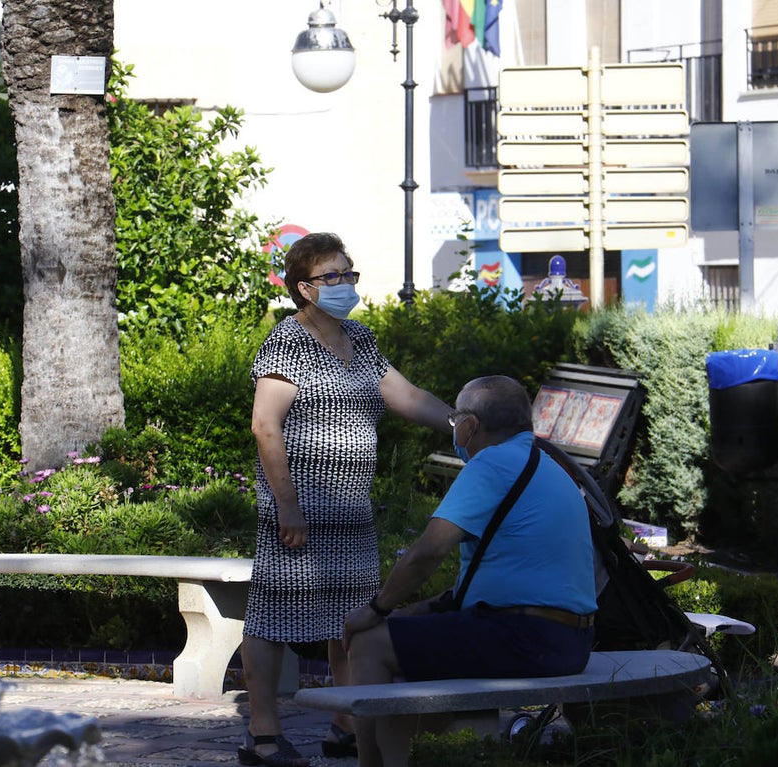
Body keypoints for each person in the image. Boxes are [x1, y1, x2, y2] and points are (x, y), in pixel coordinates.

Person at [239, 232, 453, 767]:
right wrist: (287, 506)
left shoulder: (360, 339)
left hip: (352, 512)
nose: (343, 285)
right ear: (304, 288)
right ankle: (263, 735)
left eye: (347, 274)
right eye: (330, 277)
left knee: (353, 620)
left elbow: (406, 397)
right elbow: (265, 426)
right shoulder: (287, 342)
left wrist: (465, 422)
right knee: (273, 619)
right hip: (299, 515)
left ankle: (346, 722)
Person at [342, 375, 598, 767]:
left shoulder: (492, 463)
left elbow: (427, 552)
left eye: (455, 420)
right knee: (395, 632)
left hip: (528, 637)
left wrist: (374, 609)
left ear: (470, 425)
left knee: (368, 643)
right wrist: (404, 613)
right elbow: (488, 586)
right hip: (567, 639)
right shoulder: (545, 461)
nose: (454, 429)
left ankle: (370, 764)